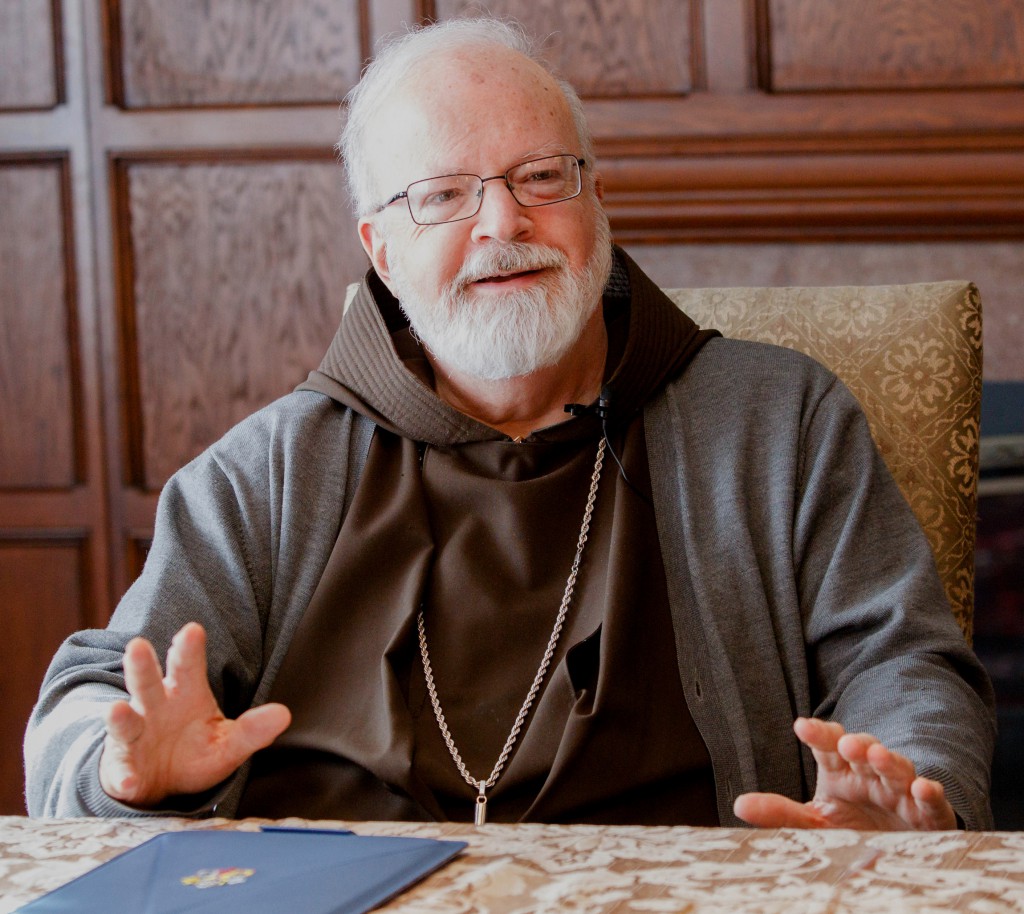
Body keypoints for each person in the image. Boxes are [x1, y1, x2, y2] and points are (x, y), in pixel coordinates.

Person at [26, 17, 994, 830]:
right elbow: (101, 693)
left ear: (596, 200)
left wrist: (906, 793)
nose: (502, 223)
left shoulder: (779, 419)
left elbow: (903, 663)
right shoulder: (275, 467)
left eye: (539, 175)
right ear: (381, 246)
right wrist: (115, 770)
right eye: (443, 194)